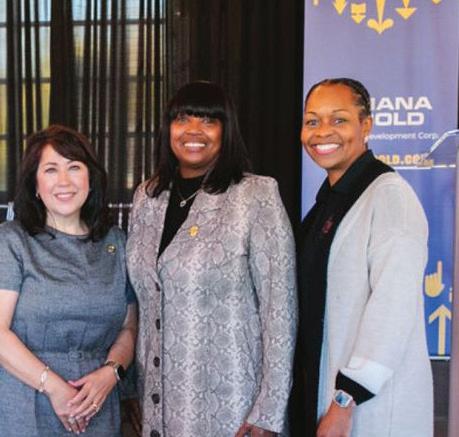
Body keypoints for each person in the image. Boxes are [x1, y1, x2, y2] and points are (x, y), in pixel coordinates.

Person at [126, 81, 297, 437]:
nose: (193, 130)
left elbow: (280, 311)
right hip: (159, 404)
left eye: (208, 120)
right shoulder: (147, 196)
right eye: (183, 119)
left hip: (234, 404)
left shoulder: (256, 195)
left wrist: (269, 412)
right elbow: (142, 300)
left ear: (226, 130)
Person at [290, 78, 433, 437]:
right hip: (322, 395)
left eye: (339, 120)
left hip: (364, 406)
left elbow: (393, 308)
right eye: (312, 121)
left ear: (365, 126)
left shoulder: (390, 197)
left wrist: (345, 399)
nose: (323, 131)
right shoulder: (329, 203)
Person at [0, 125, 137, 436]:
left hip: (96, 404)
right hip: (26, 400)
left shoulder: (117, 243)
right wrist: (54, 387)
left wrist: (111, 373)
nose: (64, 181)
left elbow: (130, 327)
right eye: (50, 170)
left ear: (90, 178)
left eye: (74, 167)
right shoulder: (11, 240)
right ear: (35, 184)